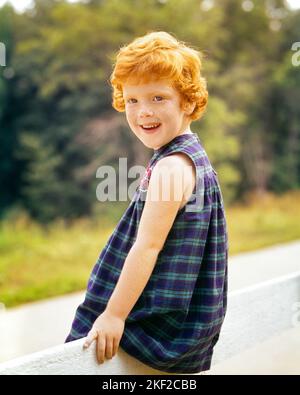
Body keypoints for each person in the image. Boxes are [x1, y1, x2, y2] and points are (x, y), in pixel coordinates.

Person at [65, 31, 228, 374]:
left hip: (152, 324)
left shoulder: (172, 166)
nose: (143, 112)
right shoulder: (189, 155)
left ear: (187, 101)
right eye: (133, 100)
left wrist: (114, 315)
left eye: (158, 97)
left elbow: (148, 247)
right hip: (171, 318)